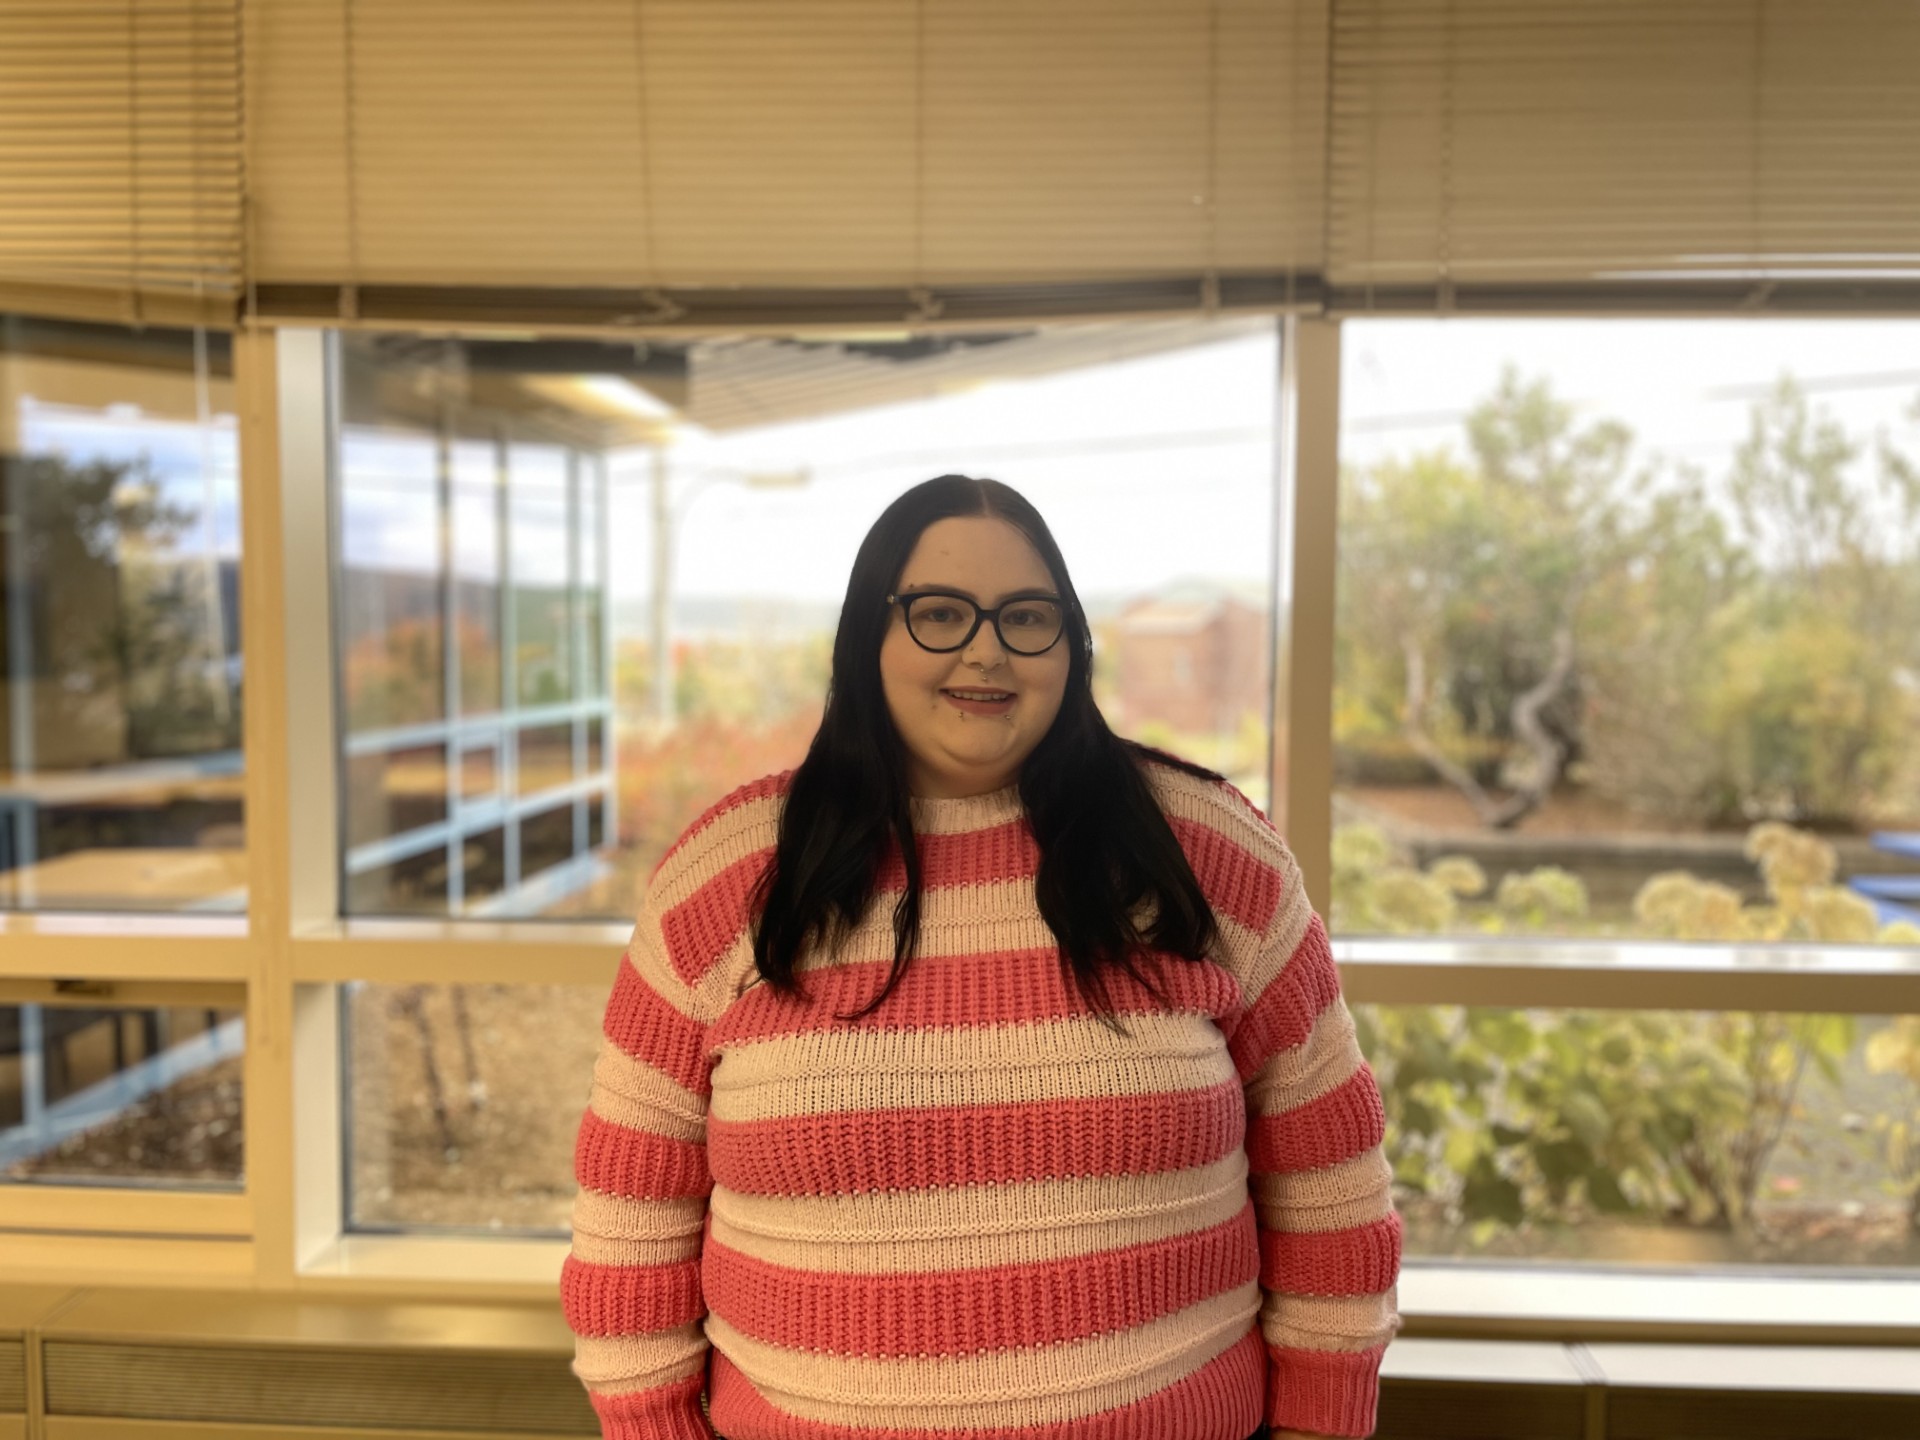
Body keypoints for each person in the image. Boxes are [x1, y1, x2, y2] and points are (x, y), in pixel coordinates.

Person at [562, 475, 1400, 1440]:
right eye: (940, 613)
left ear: (1070, 643)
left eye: (1028, 616)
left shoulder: (1205, 853)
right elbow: (631, 1219)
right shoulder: (731, 878)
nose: (987, 649)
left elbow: (1331, 1182)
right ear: (866, 637)